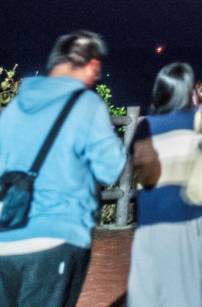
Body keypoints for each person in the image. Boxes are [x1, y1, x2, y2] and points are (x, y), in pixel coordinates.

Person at [0, 30, 125, 307]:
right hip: (55, 238)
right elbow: (109, 169)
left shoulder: (14, 107)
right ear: (92, 65)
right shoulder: (87, 104)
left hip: (5, 239)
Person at [127, 62, 202, 307]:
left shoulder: (145, 127)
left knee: (145, 297)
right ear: (187, 91)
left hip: (148, 223)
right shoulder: (198, 121)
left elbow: (136, 165)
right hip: (186, 220)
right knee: (185, 296)